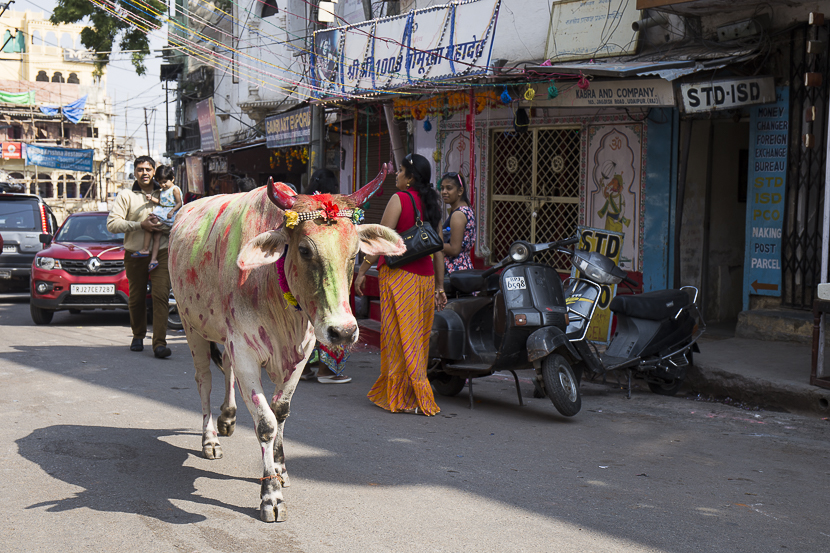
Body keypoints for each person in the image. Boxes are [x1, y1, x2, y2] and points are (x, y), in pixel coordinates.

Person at [354, 154, 446, 415]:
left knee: (397, 338)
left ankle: (407, 397)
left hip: (400, 278)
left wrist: (362, 270)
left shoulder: (400, 199)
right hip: (426, 279)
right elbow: (438, 249)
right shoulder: (433, 202)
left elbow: (380, 240)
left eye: (401, 171)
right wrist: (440, 286)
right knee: (416, 339)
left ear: (411, 178)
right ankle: (413, 394)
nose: (397, 174)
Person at [106, 155, 172, 359]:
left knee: (161, 297)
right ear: (134, 172)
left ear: (154, 171)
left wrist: (165, 226)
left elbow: (179, 219)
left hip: (161, 252)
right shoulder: (126, 195)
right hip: (135, 253)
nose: (144, 173)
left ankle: (159, 343)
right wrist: (139, 225)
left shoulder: (166, 192)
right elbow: (112, 224)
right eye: (140, 169)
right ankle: (138, 335)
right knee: (136, 298)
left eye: (148, 169)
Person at [300, 168, 353, 383]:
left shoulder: (302, 209)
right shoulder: (336, 210)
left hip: (307, 276)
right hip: (331, 275)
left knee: (307, 320)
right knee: (333, 313)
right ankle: (326, 371)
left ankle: (303, 368)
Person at [132, 165, 182, 272]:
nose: (163, 185)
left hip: (169, 214)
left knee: (150, 221)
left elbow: (179, 203)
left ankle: (146, 249)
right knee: (156, 238)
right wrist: (152, 198)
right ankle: (153, 260)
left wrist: (172, 211)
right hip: (163, 211)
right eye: (160, 183)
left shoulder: (175, 189)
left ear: (172, 179)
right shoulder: (163, 190)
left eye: (165, 182)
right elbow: (161, 202)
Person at [439, 172, 476, 274]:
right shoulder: (466, 210)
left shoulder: (458, 214)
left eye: (449, 188)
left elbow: (454, 249)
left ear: (460, 191)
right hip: (463, 268)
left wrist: (431, 244)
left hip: (455, 270)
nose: (444, 192)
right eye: (442, 188)